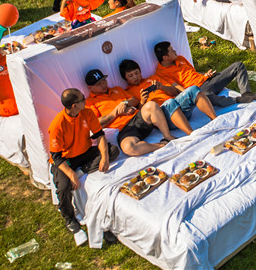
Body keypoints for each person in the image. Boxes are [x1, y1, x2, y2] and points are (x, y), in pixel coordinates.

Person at [48, 88, 120, 234]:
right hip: (65, 159)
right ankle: (69, 218)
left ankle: (83, 170)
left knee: (113, 151)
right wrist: (71, 175)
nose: (85, 101)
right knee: (63, 187)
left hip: (85, 152)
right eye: (82, 99)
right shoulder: (58, 124)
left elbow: (100, 135)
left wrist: (105, 158)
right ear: (74, 105)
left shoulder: (86, 113)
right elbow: (56, 156)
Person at [84, 68, 178, 157]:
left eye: (104, 81)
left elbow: (135, 100)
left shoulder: (117, 89)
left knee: (151, 105)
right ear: (90, 87)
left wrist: (125, 103)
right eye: (99, 84)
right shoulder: (89, 102)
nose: (103, 85)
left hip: (137, 118)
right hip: (124, 129)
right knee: (128, 147)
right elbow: (96, 123)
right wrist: (115, 112)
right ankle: (161, 145)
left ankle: (168, 136)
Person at [120, 59, 216, 136]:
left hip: (178, 106)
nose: (135, 77)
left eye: (137, 73)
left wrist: (162, 87)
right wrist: (142, 101)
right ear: (125, 78)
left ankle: (215, 120)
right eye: (130, 76)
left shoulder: (154, 78)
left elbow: (174, 91)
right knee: (170, 103)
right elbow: (140, 116)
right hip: (164, 118)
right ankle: (192, 134)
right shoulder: (128, 92)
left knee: (193, 89)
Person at [153, 41, 256, 107]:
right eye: (172, 51)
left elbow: (193, 72)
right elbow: (177, 88)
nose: (175, 51)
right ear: (165, 57)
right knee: (206, 96)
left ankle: (246, 93)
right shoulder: (161, 73)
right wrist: (193, 94)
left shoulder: (180, 58)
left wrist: (205, 74)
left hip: (207, 81)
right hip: (197, 90)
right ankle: (237, 100)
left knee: (238, 65)